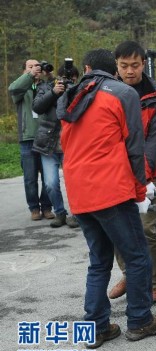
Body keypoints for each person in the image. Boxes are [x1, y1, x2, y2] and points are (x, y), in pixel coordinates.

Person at [56, 48, 156, 347]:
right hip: (109, 190)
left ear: (87, 68)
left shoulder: (72, 96)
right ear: (113, 70)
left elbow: (65, 143)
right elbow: (134, 145)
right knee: (137, 257)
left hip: (79, 192)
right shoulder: (122, 93)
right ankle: (141, 321)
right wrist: (139, 188)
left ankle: (96, 327)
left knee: (99, 261)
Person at [108, 40, 156, 303]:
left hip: (152, 170)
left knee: (146, 227)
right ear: (116, 66)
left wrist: (140, 176)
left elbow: (154, 141)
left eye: (135, 65)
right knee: (117, 226)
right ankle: (130, 274)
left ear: (144, 65)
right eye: (124, 66)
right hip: (117, 169)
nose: (129, 71)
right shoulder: (107, 92)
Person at [32, 63, 80, 228]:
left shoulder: (79, 90)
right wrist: (54, 93)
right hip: (49, 144)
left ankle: (77, 214)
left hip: (71, 145)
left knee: (74, 183)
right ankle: (60, 213)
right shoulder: (46, 88)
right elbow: (37, 107)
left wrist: (71, 93)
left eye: (71, 79)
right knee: (50, 184)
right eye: (65, 78)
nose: (67, 81)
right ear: (58, 78)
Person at [8, 59, 53, 221]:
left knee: (49, 176)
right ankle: (34, 208)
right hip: (27, 138)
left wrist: (49, 76)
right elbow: (12, 88)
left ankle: (47, 207)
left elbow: (58, 92)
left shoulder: (46, 86)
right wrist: (30, 76)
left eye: (37, 66)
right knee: (30, 178)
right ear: (23, 71)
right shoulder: (21, 88)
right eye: (30, 67)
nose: (35, 69)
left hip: (46, 136)